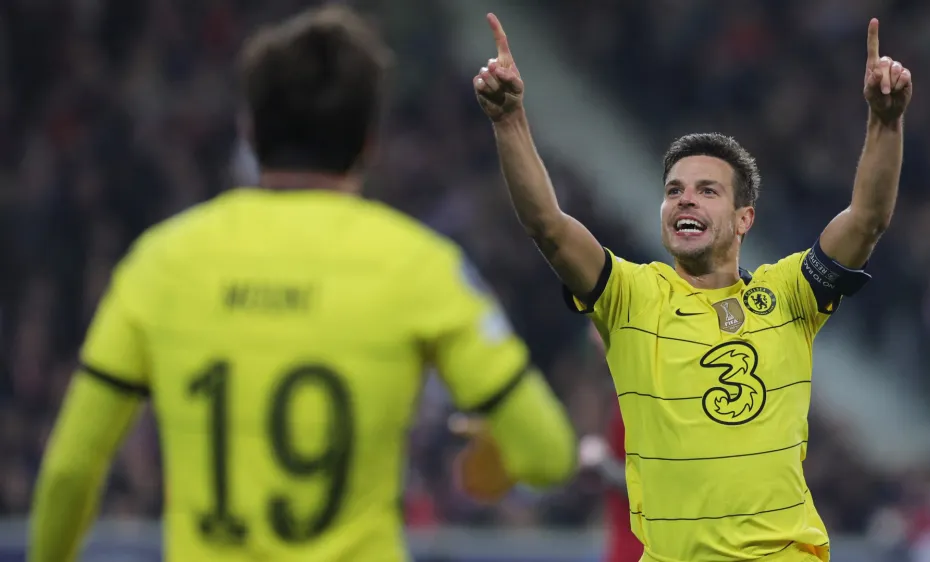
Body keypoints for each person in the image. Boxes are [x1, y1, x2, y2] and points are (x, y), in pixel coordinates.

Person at [29, 6, 576, 562]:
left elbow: (71, 470)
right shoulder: (422, 267)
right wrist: (492, 453)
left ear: (250, 132)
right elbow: (548, 454)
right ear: (369, 143)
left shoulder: (161, 262)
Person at [473, 12, 911, 562]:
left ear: (744, 218)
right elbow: (549, 227)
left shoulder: (790, 294)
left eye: (707, 190)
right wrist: (510, 120)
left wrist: (885, 122)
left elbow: (867, 219)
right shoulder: (631, 296)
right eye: (674, 189)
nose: (685, 199)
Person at [578, 328, 645, 562]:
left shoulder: (644, 400)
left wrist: (604, 465)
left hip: (645, 547)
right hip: (621, 542)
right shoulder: (616, 396)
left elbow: (654, 482)